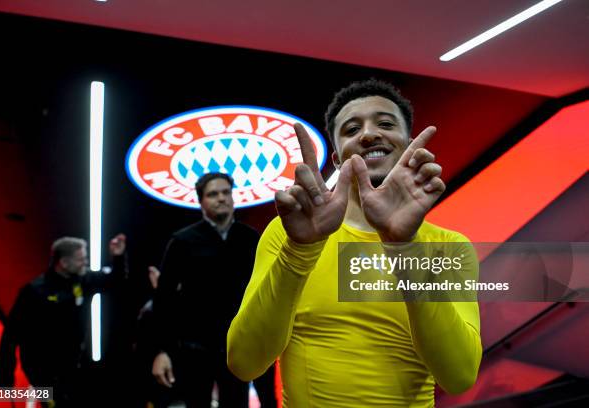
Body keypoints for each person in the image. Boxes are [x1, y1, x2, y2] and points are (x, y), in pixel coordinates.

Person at [227, 79, 482, 407]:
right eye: (351, 129)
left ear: (408, 145)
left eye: (386, 124)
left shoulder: (449, 246)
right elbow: (244, 362)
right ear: (337, 160)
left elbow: (458, 377)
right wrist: (300, 252)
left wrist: (402, 247)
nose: (369, 134)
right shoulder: (289, 234)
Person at [151, 172, 276, 408]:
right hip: (195, 349)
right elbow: (163, 299)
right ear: (201, 202)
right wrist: (161, 351)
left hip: (240, 345)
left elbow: (266, 291)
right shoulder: (182, 240)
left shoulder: (250, 238)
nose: (221, 198)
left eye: (226, 192)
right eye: (213, 194)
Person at [0, 234, 127, 407]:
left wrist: (118, 257)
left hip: (73, 365)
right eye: (81, 259)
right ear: (64, 263)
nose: (85, 263)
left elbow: (115, 282)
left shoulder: (83, 279)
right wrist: (6, 381)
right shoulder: (34, 292)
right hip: (42, 370)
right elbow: (10, 337)